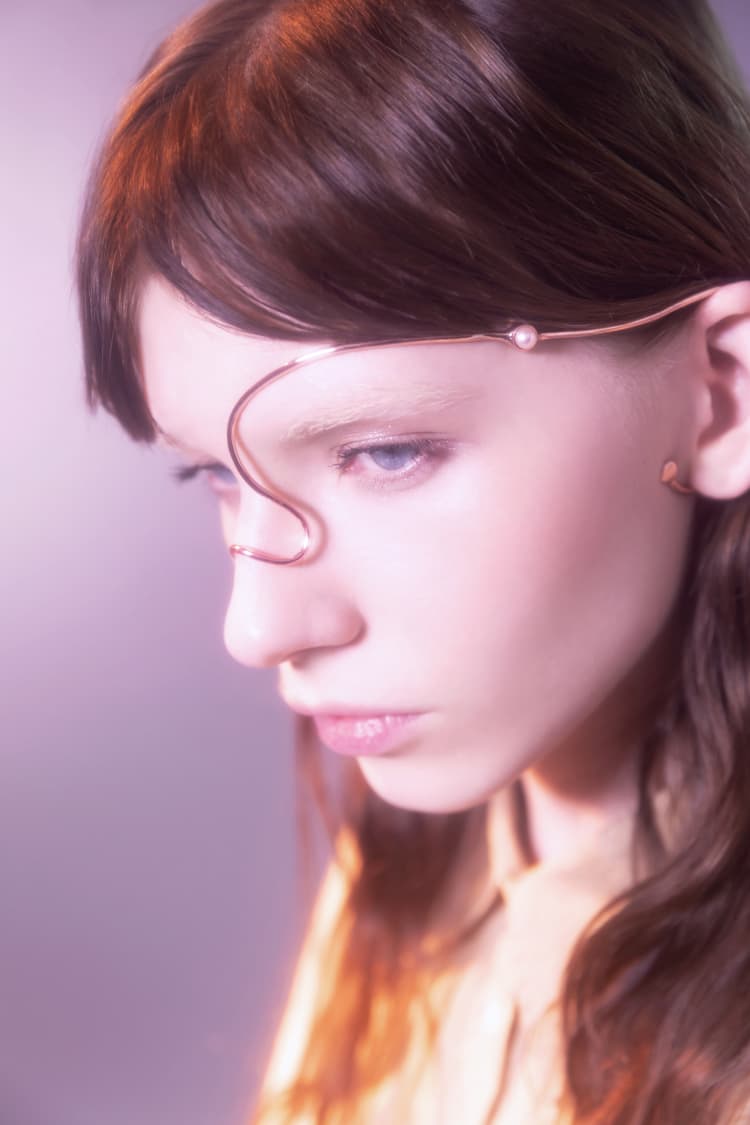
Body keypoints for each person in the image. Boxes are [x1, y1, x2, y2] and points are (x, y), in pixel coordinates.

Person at [76, 0, 750, 1121]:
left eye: (386, 452)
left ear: (721, 390)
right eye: (218, 476)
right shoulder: (411, 874)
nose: (258, 627)